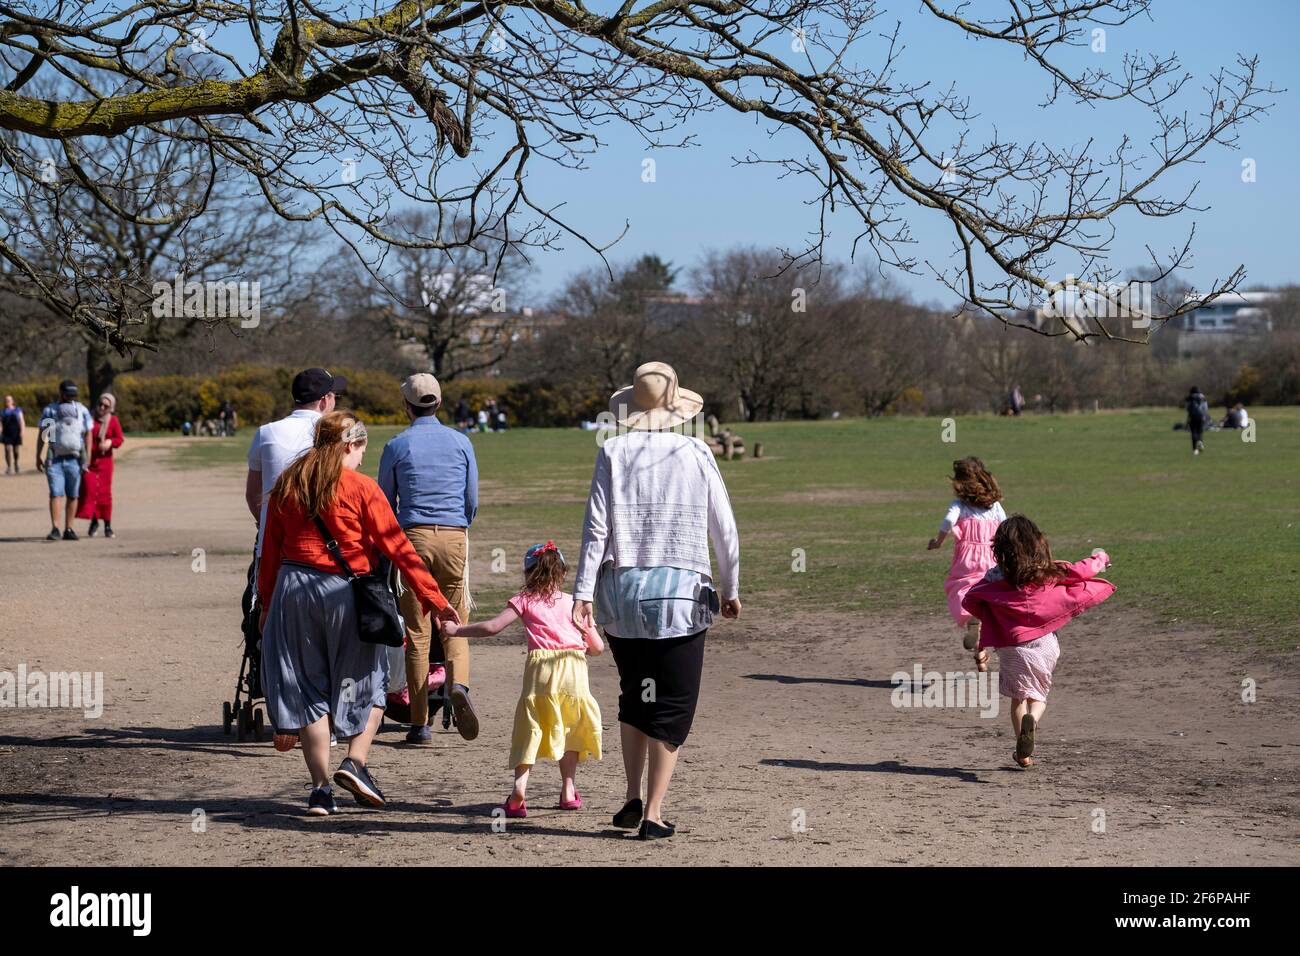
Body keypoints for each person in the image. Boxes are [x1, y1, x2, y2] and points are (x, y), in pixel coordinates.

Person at [257, 411, 460, 815]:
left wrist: (266, 604)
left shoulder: (288, 483)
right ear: (350, 444)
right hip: (345, 594)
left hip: (292, 591)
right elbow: (398, 548)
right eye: (363, 449)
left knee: (308, 691)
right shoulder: (361, 488)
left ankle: (319, 790)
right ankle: (355, 762)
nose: (364, 458)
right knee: (369, 680)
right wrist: (436, 600)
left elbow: (270, 551)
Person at [573, 361, 741, 840]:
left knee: (636, 694)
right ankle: (653, 812)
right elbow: (723, 528)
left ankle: (630, 795)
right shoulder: (696, 452)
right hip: (680, 595)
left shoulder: (612, 451)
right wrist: (730, 588)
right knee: (672, 705)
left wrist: (583, 590)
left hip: (622, 593)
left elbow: (596, 529)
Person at [442, 541, 603, 817]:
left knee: (531, 727)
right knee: (569, 727)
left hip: (541, 668)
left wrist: (456, 630)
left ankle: (518, 791)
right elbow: (598, 648)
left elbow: (492, 627)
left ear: (528, 574)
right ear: (562, 573)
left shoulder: (524, 600)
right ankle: (567, 789)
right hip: (574, 669)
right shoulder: (574, 603)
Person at [963, 515, 1115, 768]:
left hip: (1011, 645)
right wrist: (1102, 557)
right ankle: (1033, 719)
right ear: (1037, 543)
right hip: (1045, 643)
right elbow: (1081, 570)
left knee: (1017, 697)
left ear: (1000, 548)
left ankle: (1023, 754)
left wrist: (982, 636)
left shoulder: (995, 576)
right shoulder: (1047, 571)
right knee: (1039, 696)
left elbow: (977, 599)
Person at [377, 372, 480, 744]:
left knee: (418, 633)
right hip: (454, 536)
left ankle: (419, 722)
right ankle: (460, 687)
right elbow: (472, 501)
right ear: (439, 402)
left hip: (412, 539)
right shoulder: (461, 442)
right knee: (456, 623)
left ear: (406, 405)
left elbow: (385, 504)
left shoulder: (396, 445)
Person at [246, 368, 347, 557]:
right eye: (335, 396)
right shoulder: (336, 435)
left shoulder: (266, 432)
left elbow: (253, 495)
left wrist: (267, 522)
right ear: (325, 400)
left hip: (274, 543)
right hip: (324, 545)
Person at [927, 457, 1007, 660]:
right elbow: (1006, 526)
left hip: (967, 559)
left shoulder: (960, 505)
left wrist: (938, 542)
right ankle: (987, 638)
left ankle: (971, 621)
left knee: (959, 588)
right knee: (990, 593)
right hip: (992, 557)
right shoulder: (994, 506)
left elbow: (948, 521)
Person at [34, 380, 93, 541]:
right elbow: (46, 436)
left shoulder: (81, 410)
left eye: (72, 395)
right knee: (56, 494)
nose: (70, 397)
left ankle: (69, 528)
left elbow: (88, 434)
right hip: (55, 460)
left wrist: (87, 457)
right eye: (68, 394)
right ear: (60, 393)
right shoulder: (50, 411)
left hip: (75, 459)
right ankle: (55, 528)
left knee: (73, 495)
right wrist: (38, 455)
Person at [77, 393, 125, 538]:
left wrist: (110, 442)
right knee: (90, 491)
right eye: (100, 404)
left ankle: (108, 525)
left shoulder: (113, 421)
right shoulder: (88, 419)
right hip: (90, 462)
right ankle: (93, 521)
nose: (102, 408)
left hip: (105, 463)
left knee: (105, 494)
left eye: (106, 406)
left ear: (111, 408)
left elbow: (119, 439)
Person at [2, 395, 25, 474]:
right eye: (6, 400)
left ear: (12, 401)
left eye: (9, 400)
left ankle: (16, 463)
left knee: (16, 451)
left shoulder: (17, 410)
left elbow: (21, 421)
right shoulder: (3, 411)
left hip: (16, 432)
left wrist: (22, 431)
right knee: (7, 449)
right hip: (6, 433)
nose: (7, 402)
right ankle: (9, 467)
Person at [1185, 386, 1209, 455]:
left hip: (1192, 417)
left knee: (1193, 432)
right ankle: (1200, 441)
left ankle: (1195, 450)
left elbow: (1187, 408)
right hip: (1201, 416)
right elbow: (1205, 408)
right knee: (1200, 431)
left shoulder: (1189, 398)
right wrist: (1204, 416)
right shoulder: (1203, 397)